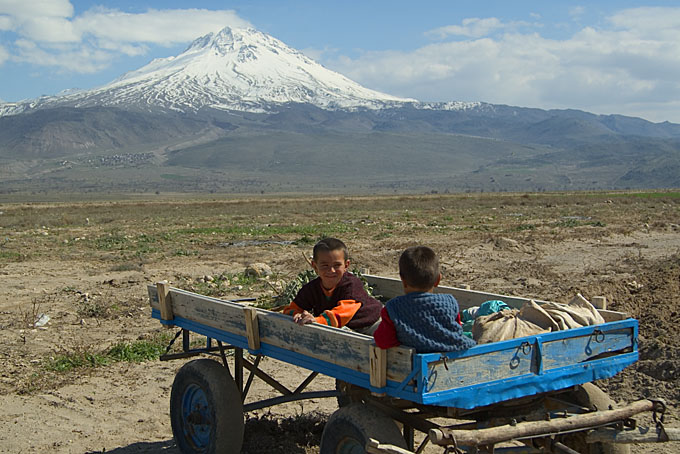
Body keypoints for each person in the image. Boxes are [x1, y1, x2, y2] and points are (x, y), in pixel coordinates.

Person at [373, 246, 476, 353]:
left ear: (403, 280)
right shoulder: (450, 302)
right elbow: (457, 330)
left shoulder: (393, 308)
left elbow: (383, 341)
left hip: (413, 364)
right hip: (453, 356)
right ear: (438, 280)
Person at [282, 237, 382, 334]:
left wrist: (317, 320)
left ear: (346, 266)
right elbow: (290, 309)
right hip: (345, 327)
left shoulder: (351, 285)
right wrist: (297, 315)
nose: (331, 271)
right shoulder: (312, 289)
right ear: (315, 266)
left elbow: (341, 314)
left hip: (370, 324)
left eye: (337, 265)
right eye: (325, 265)